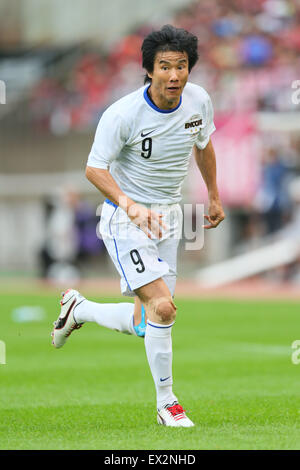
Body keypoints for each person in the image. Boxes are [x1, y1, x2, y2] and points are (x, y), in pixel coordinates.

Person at [51, 25, 225, 427]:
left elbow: (204, 145)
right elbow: (94, 169)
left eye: (181, 66)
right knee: (163, 307)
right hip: (124, 218)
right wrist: (130, 207)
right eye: (165, 67)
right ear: (149, 70)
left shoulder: (198, 101)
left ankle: (80, 309)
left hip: (170, 216)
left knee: (146, 322)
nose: (175, 75)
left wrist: (213, 194)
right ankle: (167, 404)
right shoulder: (123, 114)